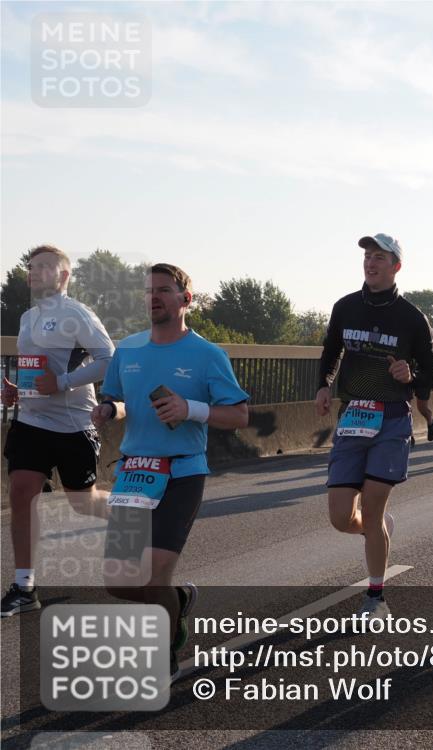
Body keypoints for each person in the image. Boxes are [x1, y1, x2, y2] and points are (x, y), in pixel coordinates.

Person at [92, 262, 249, 679]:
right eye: (148, 291)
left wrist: (190, 409)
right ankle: (176, 601)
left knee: (155, 570)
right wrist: (110, 408)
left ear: (186, 299)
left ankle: (163, 651)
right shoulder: (127, 349)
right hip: (134, 471)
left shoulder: (207, 354)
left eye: (163, 290)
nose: (154, 297)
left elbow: (239, 415)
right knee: (118, 581)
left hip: (182, 472)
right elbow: (121, 398)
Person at [315, 234, 433, 623]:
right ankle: (378, 529)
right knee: (340, 517)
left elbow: (431, 373)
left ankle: (375, 595)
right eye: (368, 256)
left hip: (390, 418)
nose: (371, 263)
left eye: (380, 257)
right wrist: (323, 384)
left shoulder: (411, 317)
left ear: (396, 266)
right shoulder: (345, 306)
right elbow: (331, 350)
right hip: (353, 415)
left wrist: (411, 373)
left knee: (371, 509)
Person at [1, 246, 115, 618]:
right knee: (22, 492)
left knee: (82, 501)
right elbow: (38, 368)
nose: (34, 272)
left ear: (64, 276)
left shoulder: (76, 313)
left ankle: (132, 512)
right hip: (31, 420)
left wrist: (63, 382)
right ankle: (24, 586)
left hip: (72, 424)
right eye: (31, 266)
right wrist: (20, 388)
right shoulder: (27, 317)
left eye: (45, 266)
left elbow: (108, 359)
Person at [410, 325, 433, 446]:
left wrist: (426, 359)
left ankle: (430, 422)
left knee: (421, 407)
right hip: (407, 370)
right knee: (405, 403)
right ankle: (409, 434)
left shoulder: (430, 331)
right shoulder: (403, 329)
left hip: (424, 374)